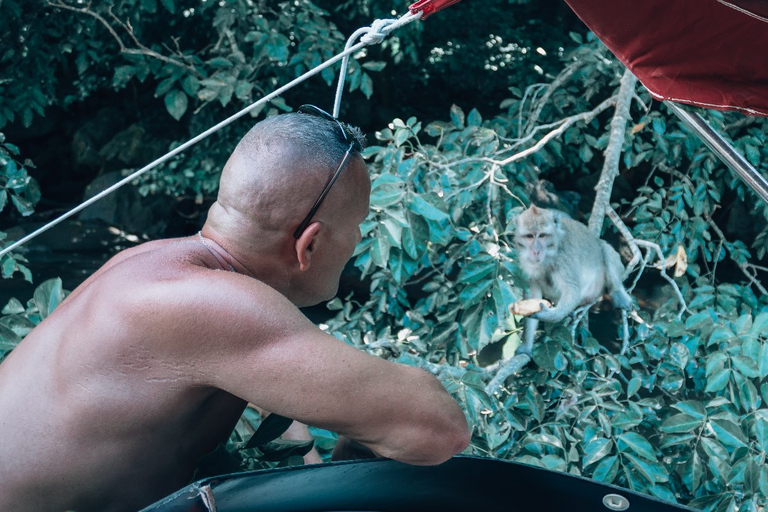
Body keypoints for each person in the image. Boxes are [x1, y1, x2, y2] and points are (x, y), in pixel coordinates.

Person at [0, 108, 470, 512]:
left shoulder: (153, 262)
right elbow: (437, 428)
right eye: (359, 227)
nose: (360, 242)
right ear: (311, 243)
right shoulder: (211, 304)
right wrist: (369, 427)